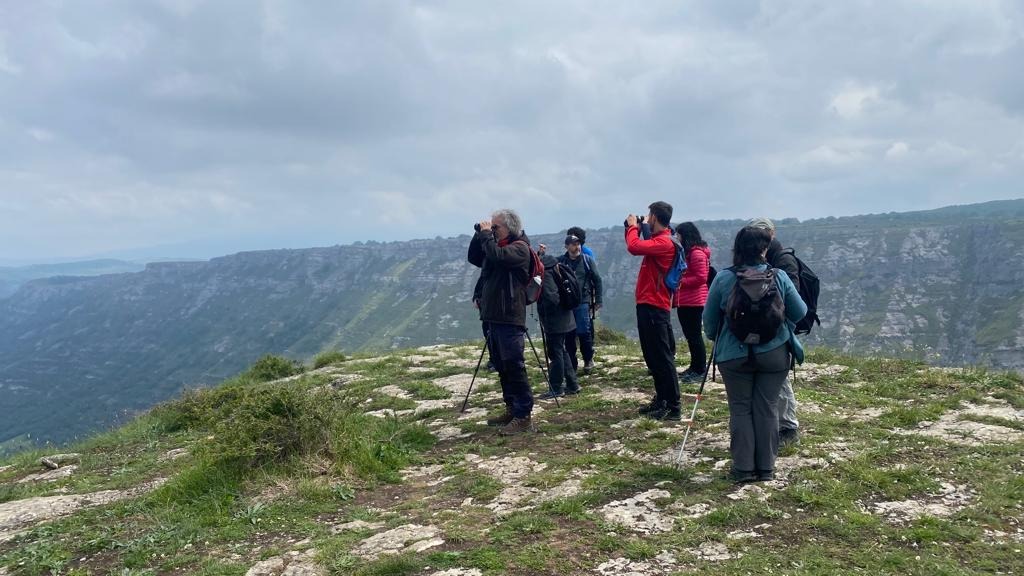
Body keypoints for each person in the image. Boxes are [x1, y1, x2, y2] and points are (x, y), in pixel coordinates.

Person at [703, 226, 807, 483]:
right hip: (774, 354)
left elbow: (709, 322)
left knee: (740, 409)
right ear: (765, 249)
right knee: (767, 407)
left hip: (733, 355)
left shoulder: (724, 278)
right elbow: (800, 312)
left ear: (737, 248)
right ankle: (766, 468)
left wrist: (721, 338)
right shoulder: (779, 276)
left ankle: (743, 469)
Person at [467, 209, 535, 436]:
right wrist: (479, 234)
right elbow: (475, 258)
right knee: (501, 366)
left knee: (514, 366)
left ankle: (523, 416)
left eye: (496, 227)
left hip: (510, 317)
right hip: (493, 317)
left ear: (509, 228)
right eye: (492, 227)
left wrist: (487, 236)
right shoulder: (496, 247)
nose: (493, 230)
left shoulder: (520, 249)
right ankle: (512, 409)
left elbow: (498, 256)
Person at [747, 217, 802, 446]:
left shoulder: (782, 260)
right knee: (771, 380)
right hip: (761, 327)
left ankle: (788, 427)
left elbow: (793, 296)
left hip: (777, 327)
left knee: (780, 381)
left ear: (771, 234)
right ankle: (773, 425)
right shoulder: (762, 257)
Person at [625, 202, 681, 421]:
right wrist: (636, 228)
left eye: (649, 215)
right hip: (648, 304)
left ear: (655, 217)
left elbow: (634, 247)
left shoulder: (664, 242)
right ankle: (662, 399)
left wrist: (633, 226)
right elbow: (641, 243)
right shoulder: (660, 240)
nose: (647, 218)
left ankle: (673, 405)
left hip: (655, 306)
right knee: (652, 356)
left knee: (662, 357)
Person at [536, 247, 580, 399]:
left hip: (555, 319)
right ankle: (572, 384)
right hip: (565, 316)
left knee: (555, 353)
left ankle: (556, 388)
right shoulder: (555, 266)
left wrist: (543, 309)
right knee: (561, 350)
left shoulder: (546, 273)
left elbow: (552, 298)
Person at [559, 227, 603, 374]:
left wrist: (598, 300)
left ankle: (588, 359)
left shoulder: (587, 260)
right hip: (566, 304)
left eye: (578, 244)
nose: (577, 247)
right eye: (573, 244)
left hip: (583, 301)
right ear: (567, 246)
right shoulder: (560, 262)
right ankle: (572, 364)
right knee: (569, 334)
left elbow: (597, 280)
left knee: (584, 332)